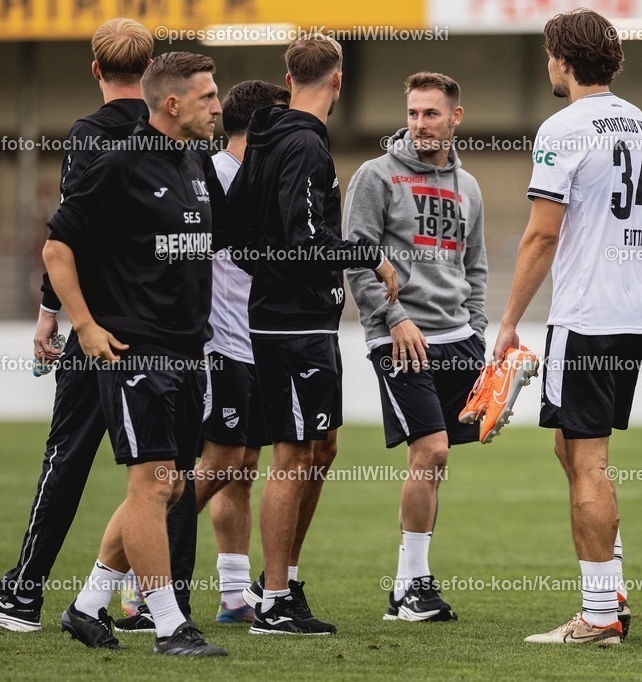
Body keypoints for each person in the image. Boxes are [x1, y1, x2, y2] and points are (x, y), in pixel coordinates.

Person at [0, 18, 199, 633]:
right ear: (150, 76)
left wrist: (51, 316)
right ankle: (161, 602)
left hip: (101, 328)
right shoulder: (170, 140)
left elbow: (68, 238)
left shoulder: (91, 137)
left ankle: (24, 592)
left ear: (95, 69)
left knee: (71, 456)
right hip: (161, 332)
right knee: (167, 468)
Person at [491, 9, 642, 645]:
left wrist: (509, 321)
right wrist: (626, 268)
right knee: (572, 449)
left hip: (586, 319)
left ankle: (599, 615)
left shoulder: (562, 127)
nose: (549, 65)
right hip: (631, 315)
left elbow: (542, 233)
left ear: (564, 61)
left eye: (550, 55)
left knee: (588, 459)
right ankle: (612, 586)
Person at [43, 51, 226, 656]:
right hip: (132, 347)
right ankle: (171, 624)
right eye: (207, 97)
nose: (217, 106)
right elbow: (57, 249)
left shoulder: (196, 159)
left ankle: (88, 604)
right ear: (171, 104)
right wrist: (85, 327)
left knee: (170, 486)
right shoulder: (116, 162)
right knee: (151, 484)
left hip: (186, 348)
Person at [226, 34, 398, 636]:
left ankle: (283, 583)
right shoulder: (302, 143)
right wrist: (366, 253)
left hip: (290, 318)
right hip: (294, 325)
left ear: (288, 72)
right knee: (293, 455)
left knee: (316, 450)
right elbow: (305, 239)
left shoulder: (266, 138)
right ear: (340, 81)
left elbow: (233, 235)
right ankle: (272, 601)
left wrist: (275, 277)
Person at [344, 72, 487, 623]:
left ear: (456, 117)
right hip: (400, 337)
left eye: (431, 113)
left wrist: (475, 329)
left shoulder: (468, 185)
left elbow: (473, 265)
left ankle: (406, 590)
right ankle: (414, 586)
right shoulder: (375, 176)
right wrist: (393, 317)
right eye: (413, 113)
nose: (420, 124)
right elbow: (356, 254)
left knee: (430, 462)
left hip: (457, 339)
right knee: (433, 451)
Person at [192, 80, 290, 625]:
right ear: (259, 126)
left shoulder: (259, 179)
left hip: (255, 344)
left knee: (244, 467)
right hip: (217, 343)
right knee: (221, 461)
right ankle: (136, 574)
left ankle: (233, 595)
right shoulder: (212, 178)